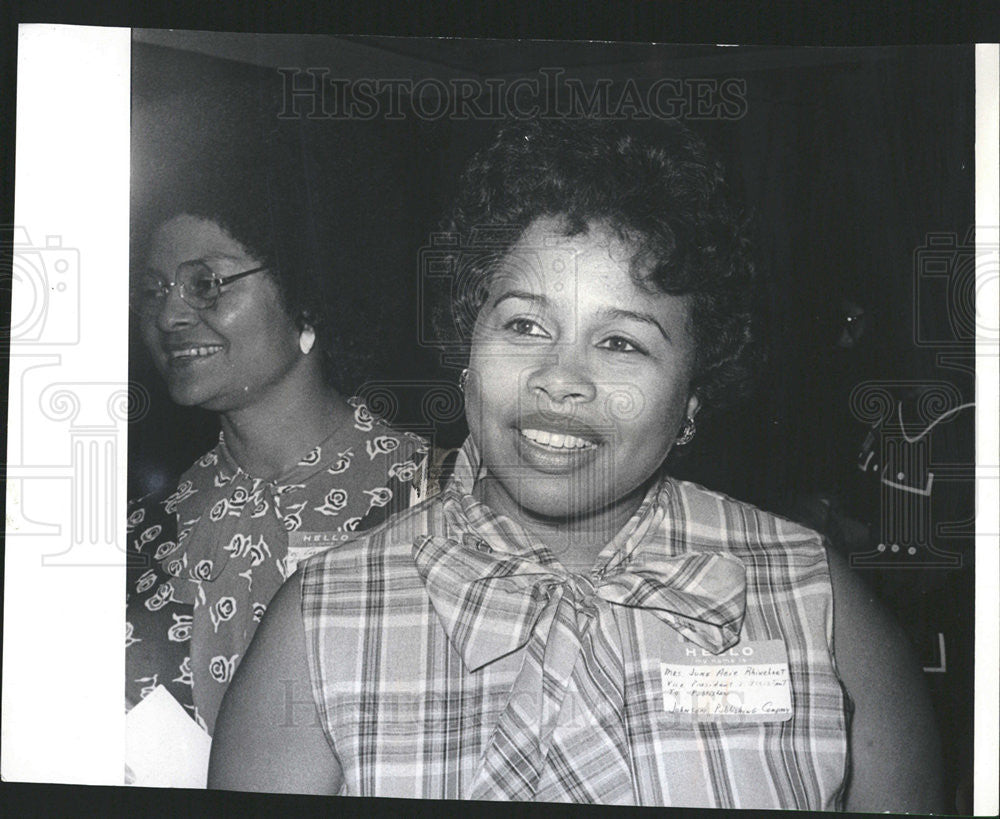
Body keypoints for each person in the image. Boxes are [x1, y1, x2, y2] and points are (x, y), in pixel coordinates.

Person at [208, 116, 943, 811]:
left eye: (622, 342)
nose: (561, 377)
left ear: (695, 394)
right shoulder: (323, 618)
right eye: (525, 324)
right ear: (468, 348)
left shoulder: (816, 597)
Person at [125, 138, 430, 740]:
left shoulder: (439, 501)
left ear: (307, 294)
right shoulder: (139, 531)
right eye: (154, 290)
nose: (168, 318)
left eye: (206, 284)